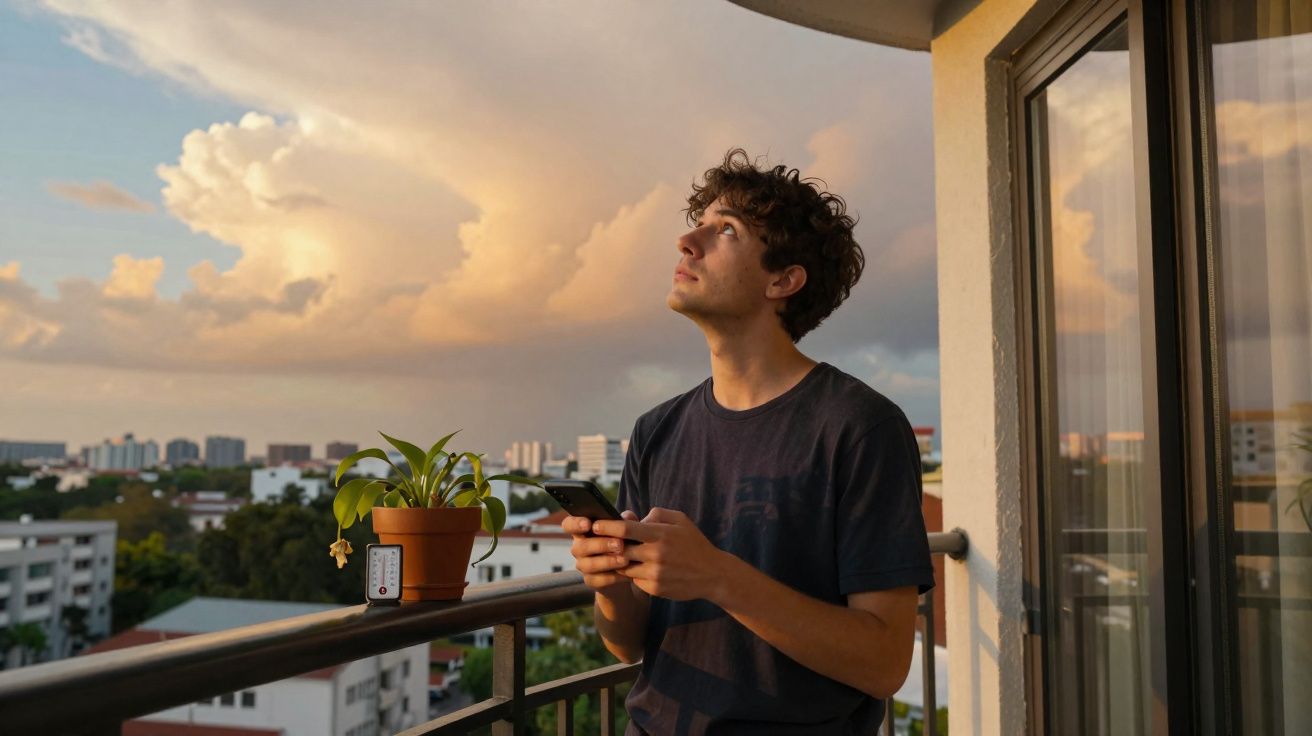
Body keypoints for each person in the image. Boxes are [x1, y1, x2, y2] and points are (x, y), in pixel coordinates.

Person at [563, 148, 935, 734]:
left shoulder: (861, 427)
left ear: (782, 280)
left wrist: (717, 576)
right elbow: (626, 645)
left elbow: (886, 661)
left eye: (724, 231)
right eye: (697, 225)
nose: (688, 241)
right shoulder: (655, 430)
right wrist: (609, 582)